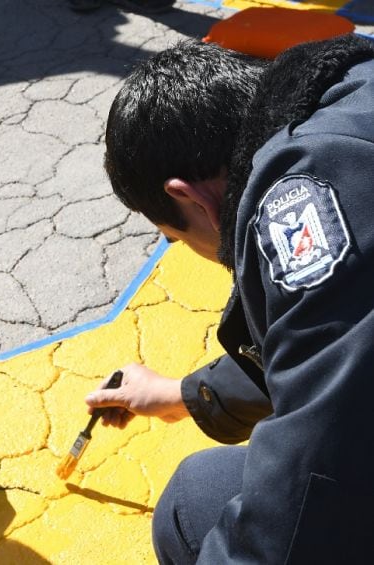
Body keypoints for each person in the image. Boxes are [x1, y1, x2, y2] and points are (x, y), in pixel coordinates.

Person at [92, 34, 374, 562]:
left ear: (189, 197)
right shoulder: (350, 98)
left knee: (190, 509)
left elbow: (317, 484)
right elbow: (329, 347)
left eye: (176, 238)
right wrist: (185, 394)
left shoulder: (308, 198)